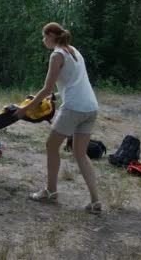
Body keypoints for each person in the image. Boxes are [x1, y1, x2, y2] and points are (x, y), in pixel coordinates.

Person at [16, 22, 101, 214]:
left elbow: (46, 87)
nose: (43, 40)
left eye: (44, 36)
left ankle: (51, 191)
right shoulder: (74, 51)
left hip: (74, 108)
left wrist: (25, 109)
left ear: (52, 36)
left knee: (51, 145)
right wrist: (55, 96)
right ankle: (95, 201)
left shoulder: (56, 55)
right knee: (80, 154)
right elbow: (74, 82)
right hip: (91, 107)